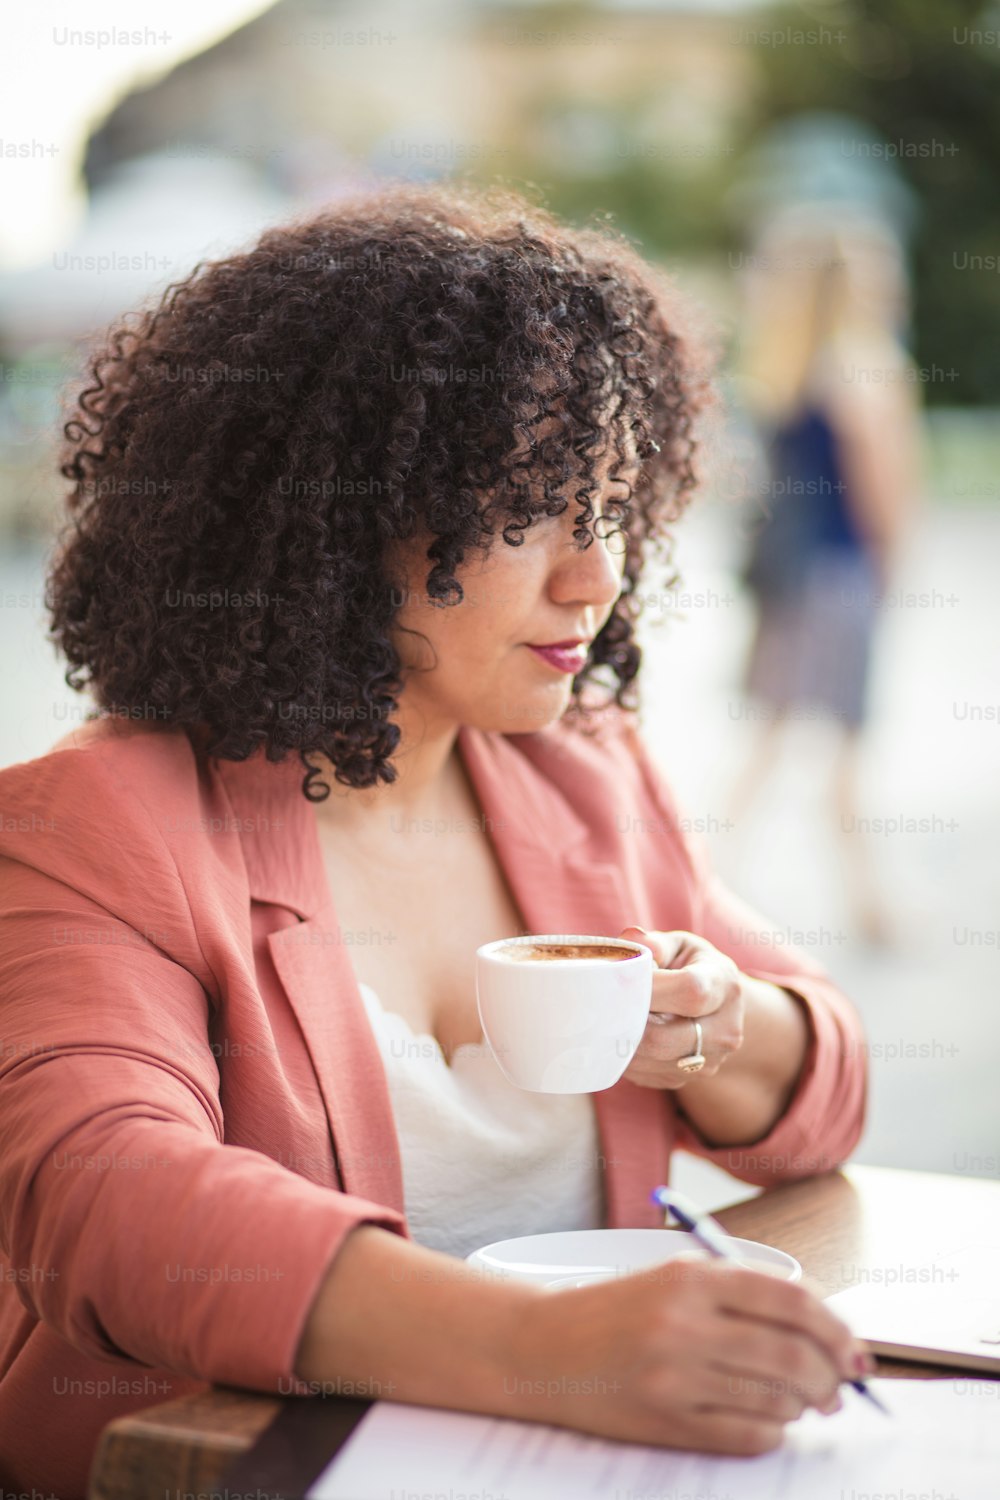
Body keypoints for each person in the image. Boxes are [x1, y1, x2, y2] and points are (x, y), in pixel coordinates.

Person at [0, 185, 871, 1499]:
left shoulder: (579, 771)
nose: (598, 577)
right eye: (528, 513)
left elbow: (833, 1088)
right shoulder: (98, 825)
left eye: (616, 508)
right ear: (334, 522)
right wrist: (548, 1351)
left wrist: (720, 1022)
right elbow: (106, 1201)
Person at [731, 211, 922, 943]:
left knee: (773, 733)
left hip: (788, 578)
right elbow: (886, 492)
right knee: (844, 736)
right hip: (842, 577)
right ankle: (873, 905)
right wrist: (894, 574)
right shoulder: (866, 367)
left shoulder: (785, 367)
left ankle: (707, 872)